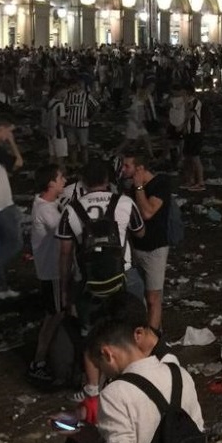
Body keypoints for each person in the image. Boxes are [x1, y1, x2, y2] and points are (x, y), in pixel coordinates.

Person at [56, 159, 145, 407]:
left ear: (82, 182)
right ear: (108, 180)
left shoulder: (71, 210)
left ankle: (93, 391)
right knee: (131, 332)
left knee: (91, 337)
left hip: (88, 283)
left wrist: (65, 292)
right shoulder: (124, 202)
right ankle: (134, 383)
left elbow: (64, 254)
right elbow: (140, 232)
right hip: (124, 276)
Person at [84, 315, 204, 443]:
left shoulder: (114, 394)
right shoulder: (180, 373)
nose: (103, 372)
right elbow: (198, 431)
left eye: (99, 366)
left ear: (107, 354)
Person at [121, 151, 171, 333]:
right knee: (138, 296)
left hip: (154, 249)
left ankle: (154, 339)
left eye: (127, 166)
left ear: (140, 168)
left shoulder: (161, 184)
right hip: (135, 249)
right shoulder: (128, 186)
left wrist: (139, 187)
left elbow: (148, 213)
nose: (123, 169)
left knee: (153, 297)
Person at [29, 164, 68, 382]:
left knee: (57, 313)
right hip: (52, 271)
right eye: (61, 177)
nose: (64, 180)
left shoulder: (47, 203)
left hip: (53, 270)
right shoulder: (46, 210)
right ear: (51, 183)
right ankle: (39, 361)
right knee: (54, 315)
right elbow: (67, 229)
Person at [0, 115, 24, 299]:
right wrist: (12, 144)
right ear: (1, 129)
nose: (10, 134)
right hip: (1, 204)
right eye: (9, 131)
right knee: (14, 243)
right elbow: (18, 163)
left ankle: (1, 288)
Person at [181, 87, 205, 191]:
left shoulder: (195, 102)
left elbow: (189, 115)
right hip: (189, 132)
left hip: (195, 132)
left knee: (195, 157)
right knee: (188, 157)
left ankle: (200, 182)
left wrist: (182, 126)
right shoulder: (188, 102)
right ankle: (190, 180)